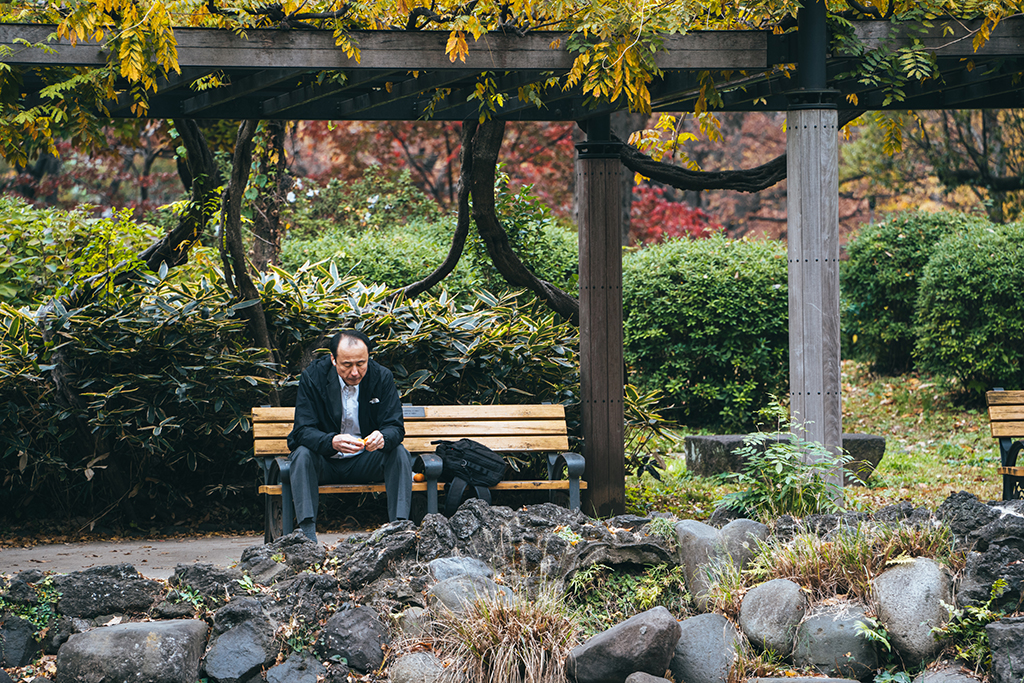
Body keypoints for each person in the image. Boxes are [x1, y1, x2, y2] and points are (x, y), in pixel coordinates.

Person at [286, 329, 412, 542]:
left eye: (361, 363)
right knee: (302, 455)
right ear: (333, 359)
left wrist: (383, 436)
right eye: (347, 365)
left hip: (365, 460)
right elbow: (302, 431)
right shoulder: (313, 376)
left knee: (398, 452)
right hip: (325, 461)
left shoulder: (381, 376)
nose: (355, 372)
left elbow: (395, 427)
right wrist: (331, 441)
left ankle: (399, 530)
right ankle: (307, 535)